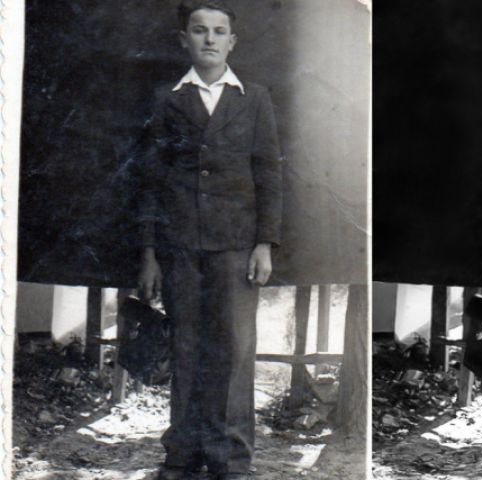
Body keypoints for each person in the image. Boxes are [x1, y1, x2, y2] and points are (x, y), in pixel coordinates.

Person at [137, 1, 282, 479]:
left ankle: (231, 458)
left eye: (219, 32)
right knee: (186, 347)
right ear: (184, 40)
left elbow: (268, 174)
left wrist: (264, 243)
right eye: (199, 31)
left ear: (232, 42)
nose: (210, 39)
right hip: (179, 247)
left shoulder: (253, 98)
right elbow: (150, 181)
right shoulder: (167, 99)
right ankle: (182, 454)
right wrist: (150, 254)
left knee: (235, 352)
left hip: (236, 246)